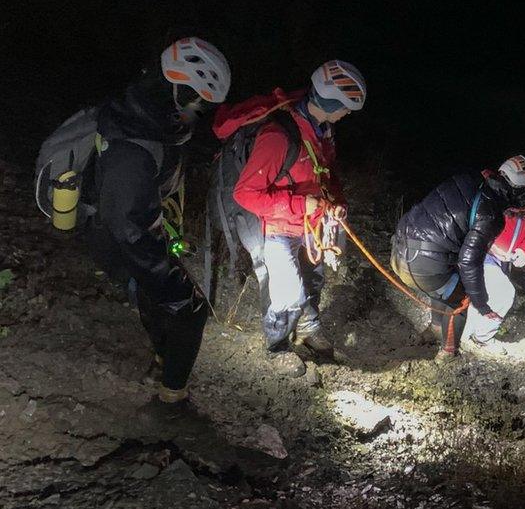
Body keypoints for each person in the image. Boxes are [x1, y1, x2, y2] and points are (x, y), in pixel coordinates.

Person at [87, 37, 231, 404]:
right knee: (191, 309)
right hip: (120, 240)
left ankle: (161, 360)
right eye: (196, 99)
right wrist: (164, 271)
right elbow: (126, 224)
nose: (199, 110)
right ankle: (173, 401)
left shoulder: (148, 119)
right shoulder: (135, 144)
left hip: (126, 235)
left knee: (151, 297)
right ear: (175, 88)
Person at [224, 60, 365, 373]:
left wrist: (336, 202)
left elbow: (328, 177)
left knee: (313, 279)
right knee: (288, 293)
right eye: (345, 107)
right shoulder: (278, 137)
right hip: (278, 226)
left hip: (310, 226)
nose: (348, 114)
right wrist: (303, 205)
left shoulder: (322, 134)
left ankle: (308, 328)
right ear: (330, 102)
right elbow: (245, 194)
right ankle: (277, 347)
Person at [391, 155, 525, 361]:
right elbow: (469, 262)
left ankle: (433, 331)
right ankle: (448, 354)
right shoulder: (492, 215)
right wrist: (481, 304)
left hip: (400, 248)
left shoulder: (468, 179)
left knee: (448, 284)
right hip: (420, 266)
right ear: (519, 191)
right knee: (460, 301)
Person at [461, 171, 525, 356]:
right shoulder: (507, 200)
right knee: (503, 294)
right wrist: (490, 246)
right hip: (483, 255)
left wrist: (522, 251)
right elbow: (481, 219)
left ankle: (467, 334)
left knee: (485, 295)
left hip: (503, 262)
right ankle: (480, 337)